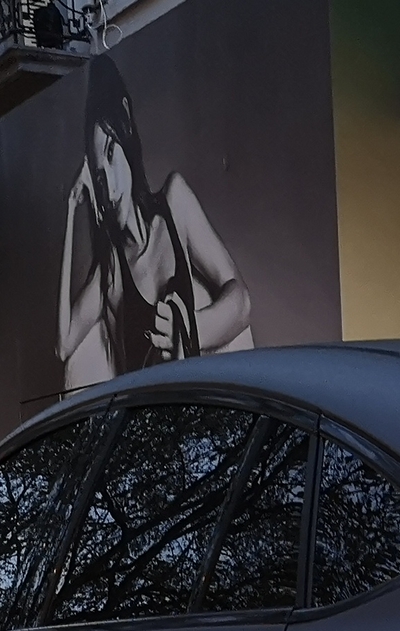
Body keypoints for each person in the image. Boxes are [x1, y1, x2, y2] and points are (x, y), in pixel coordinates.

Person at [56, 54, 253, 390]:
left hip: (200, 410)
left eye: (112, 152)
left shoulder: (174, 203)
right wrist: (72, 209)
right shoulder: (112, 270)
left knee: (208, 297)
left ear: (127, 128)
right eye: (100, 178)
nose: (111, 187)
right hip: (149, 427)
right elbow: (63, 344)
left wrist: (187, 330)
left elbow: (241, 301)